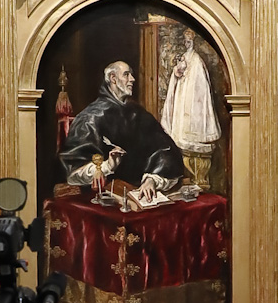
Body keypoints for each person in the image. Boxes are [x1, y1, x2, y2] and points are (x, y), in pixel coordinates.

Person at [59, 60, 184, 201]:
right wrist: (108, 165)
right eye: (126, 74)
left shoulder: (139, 114)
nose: (132, 79)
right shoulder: (90, 118)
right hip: (107, 198)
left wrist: (152, 179)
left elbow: (165, 149)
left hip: (144, 195)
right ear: (113, 78)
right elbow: (74, 170)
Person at [160, 28, 221, 190]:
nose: (187, 44)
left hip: (193, 103)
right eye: (185, 41)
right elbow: (177, 77)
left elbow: (201, 87)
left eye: (189, 41)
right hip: (182, 99)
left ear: (193, 42)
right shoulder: (184, 57)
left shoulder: (197, 61)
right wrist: (176, 73)